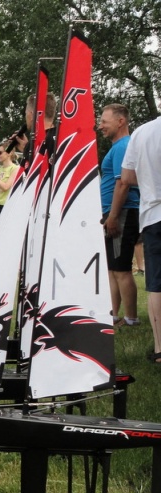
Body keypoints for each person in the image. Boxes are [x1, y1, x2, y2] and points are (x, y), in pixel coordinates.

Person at [117, 111, 161, 361]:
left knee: (156, 285)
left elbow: (127, 177)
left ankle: (159, 349)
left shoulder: (142, 132)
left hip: (155, 214)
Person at [99, 104, 139, 327]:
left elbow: (122, 183)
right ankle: (113, 315)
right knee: (113, 268)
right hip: (113, 213)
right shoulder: (118, 147)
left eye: (104, 121)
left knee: (122, 269)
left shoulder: (123, 146)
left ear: (120, 121)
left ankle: (131, 319)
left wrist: (113, 216)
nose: (100, 126)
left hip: (122, 212)